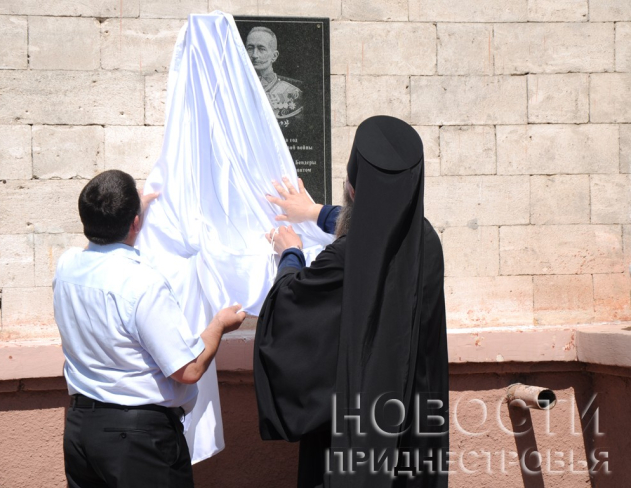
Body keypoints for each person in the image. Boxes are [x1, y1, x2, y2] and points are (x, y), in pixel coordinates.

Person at [254, 116, 449, 487]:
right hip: (412, 429)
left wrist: (290, 254)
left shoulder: (343, 261)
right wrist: (315, 212)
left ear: (352, 189)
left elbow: (287, 312)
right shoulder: (426, 242)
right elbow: (381, 228)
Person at [53, 170, 246, 488]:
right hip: (137, 440)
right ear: (135, 223)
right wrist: (219, 325)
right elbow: (188, 369)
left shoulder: (67, 266)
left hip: (82, 430)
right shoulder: (142, 282)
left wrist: (131, 212)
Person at [246, 26, 304, 127]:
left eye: (261, 49)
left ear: (274, 56)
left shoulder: (292, 92)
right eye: (250, 48)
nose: (254, 55)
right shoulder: (233, 87)